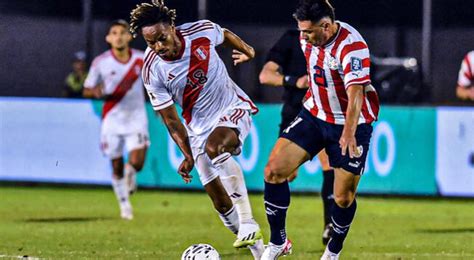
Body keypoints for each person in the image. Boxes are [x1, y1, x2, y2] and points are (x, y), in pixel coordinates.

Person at [129, 1, 264, 258]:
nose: (158, 47)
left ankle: (248, 220)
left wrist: (248, 51)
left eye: (161, 38)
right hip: (197, 128)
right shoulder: (152, 70)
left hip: (231, 107)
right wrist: (188, 154)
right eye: (151, 43)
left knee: (216, 147)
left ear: (171, 27)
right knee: (221, 202)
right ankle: (262, 254)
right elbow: (170, 119)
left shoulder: (199, 32)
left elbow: (224, 34)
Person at [261, 0, 379, 259]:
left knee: (343, 198)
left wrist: (347, 133)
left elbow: (356, 93)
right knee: (273, 171)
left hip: (351, 125)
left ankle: (333, 251)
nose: (302, 36)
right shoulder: (308, 39)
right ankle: (278, 242)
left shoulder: (352, 47)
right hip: (314, 116)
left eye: (307, 31)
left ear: (326, 26)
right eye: (301, 30)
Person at [259, 29, 335, 245]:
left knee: (328, 163)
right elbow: (265, 75)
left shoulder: (333, 40)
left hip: (322, 111)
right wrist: (294, 81)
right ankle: (277, 236)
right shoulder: (291, 39)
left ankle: (330, 226)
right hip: (294, 112)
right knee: (281, 173)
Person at [83, 20, 149, 220]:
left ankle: (131, 173)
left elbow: (156, 81)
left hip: (136, 117)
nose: (119, 36)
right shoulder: (101, 62)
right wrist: (95, 92)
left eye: (123, 32)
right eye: (114, 33)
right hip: (112, 119)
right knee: (117, 165)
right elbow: (86, 89)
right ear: (108, 38)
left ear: (129, 37)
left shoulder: (142, 59)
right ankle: (124, 205)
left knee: (137, 162)